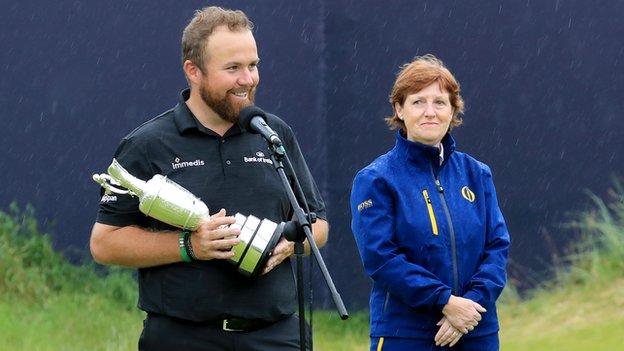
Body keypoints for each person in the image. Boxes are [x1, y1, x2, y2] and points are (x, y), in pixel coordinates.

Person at [90, 6, 328, 351]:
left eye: (253, 65)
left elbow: (317, 225)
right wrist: (190, 247)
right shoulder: (147, 144)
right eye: (232, 68)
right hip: (183, 337)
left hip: (277, 336)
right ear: (193, 71)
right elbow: (105, 243)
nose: (248, 79)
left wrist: (286, 244)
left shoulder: (273, 133)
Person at [350, 54, 510, 351]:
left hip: (476, 329)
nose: (430, 112)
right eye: (418, 102)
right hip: (407, 334)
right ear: (399, 109)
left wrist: (469, 307)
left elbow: (497, 247)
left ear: (453, 110)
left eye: (440, 102)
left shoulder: (477, 174)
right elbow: (380, 258)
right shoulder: (376, 179)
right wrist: (444, 301)